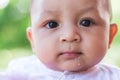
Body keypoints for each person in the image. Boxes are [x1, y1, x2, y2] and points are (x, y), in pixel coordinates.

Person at [2, 0, 119, 80]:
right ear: (33, 40)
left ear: (109, 35)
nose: (69, 36)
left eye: (86, 22)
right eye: (52, 24)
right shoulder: (19, 72)